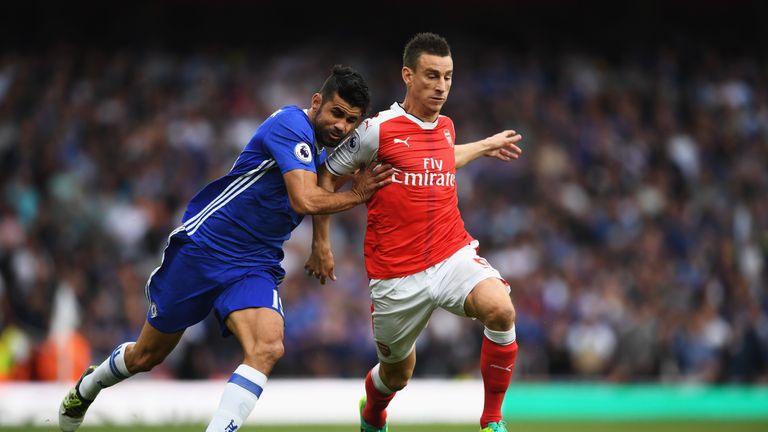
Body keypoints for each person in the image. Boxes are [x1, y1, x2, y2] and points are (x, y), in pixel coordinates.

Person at [58, 65, 394, 432]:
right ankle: (87, 387)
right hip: (204, 249)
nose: (342, 127)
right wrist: (359, 195)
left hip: (255, 263)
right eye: (336, 114)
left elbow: (322, 188)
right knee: (146, 355)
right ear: (317, 102)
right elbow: (303, 198)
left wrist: (321, 243)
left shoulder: (324, 147)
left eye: (351, 120)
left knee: (268, 347)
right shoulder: (290, 125)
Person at [309, 33, 523, 432]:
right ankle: (372, 411)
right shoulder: (377, 130)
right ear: (408, 75)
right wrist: (322, 242)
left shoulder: (446, 127)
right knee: (397, 375)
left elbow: (443, 157)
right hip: (395, 275)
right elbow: (326, 175)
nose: (441, 86)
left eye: (448, 76)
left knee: (501, 308)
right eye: (431, 75)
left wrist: (485, 145)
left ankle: (492, 419)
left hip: (451, 253)